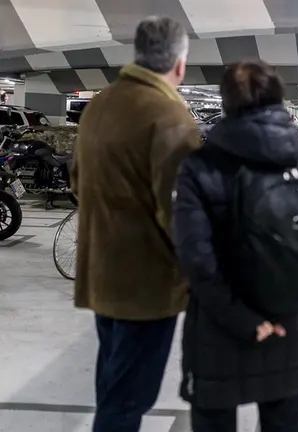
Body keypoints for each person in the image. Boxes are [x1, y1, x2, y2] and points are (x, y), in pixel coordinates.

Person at [172, 60, 298, 432]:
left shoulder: (202, 167)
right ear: (278, 97)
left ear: (226, 102)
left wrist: (244, 321)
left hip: (220, 328)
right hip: (290, 320)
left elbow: (197, 258)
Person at [71, 16, 200, 432]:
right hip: (146, 286)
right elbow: (180, 213)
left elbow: (77, 181)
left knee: (112, 387)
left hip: (101, 272)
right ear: (179, 63)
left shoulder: (99, 105)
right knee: (128, 401)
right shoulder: (170, 117)